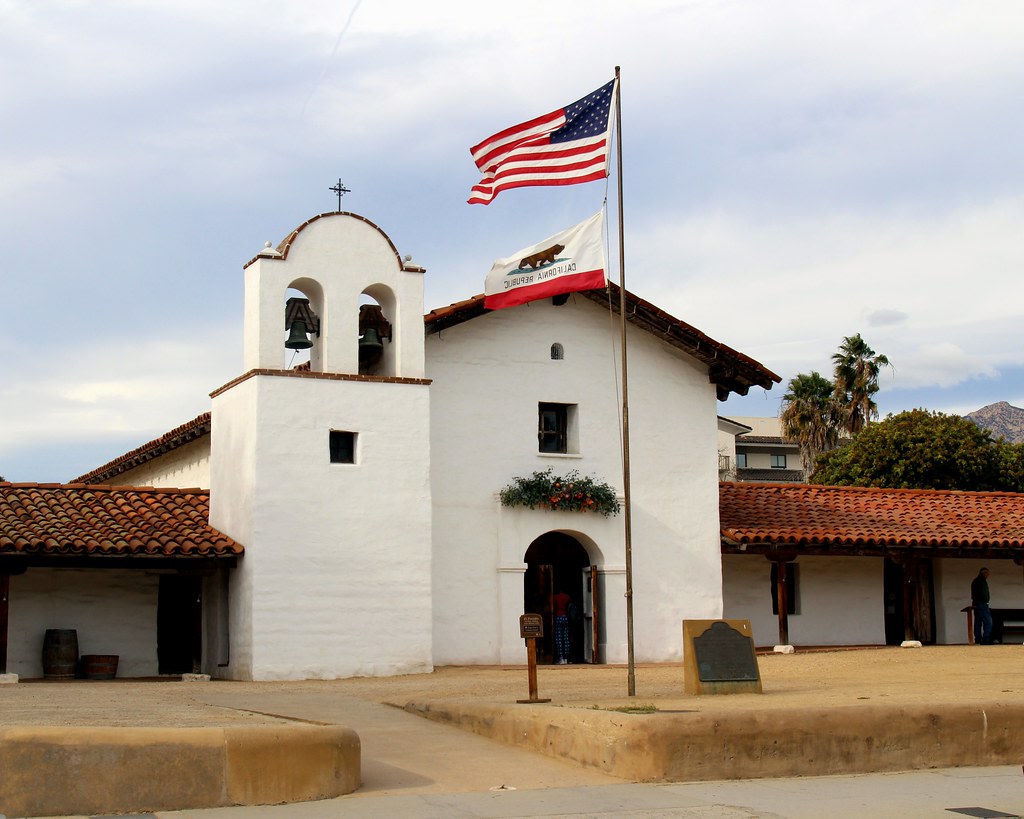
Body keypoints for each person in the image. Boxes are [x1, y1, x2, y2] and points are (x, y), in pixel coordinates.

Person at [971, 567, 993, 645]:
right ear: (984, 573)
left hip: (975, 603)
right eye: (987, 573)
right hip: (982, 603)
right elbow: (984, 593)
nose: (988, 575)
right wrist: (986, 600)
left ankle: (977, 639)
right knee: (988, 621)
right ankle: (985, 639)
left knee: (978, 621)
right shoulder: (982, 581)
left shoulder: (975, 581)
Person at [552, 589, 572, 664]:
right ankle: (566, 658)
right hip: (565, 617)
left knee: (558, 638)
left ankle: (560, 658)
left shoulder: (555, 597)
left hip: (558, 616)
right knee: (566, 638)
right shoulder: (567, 597)